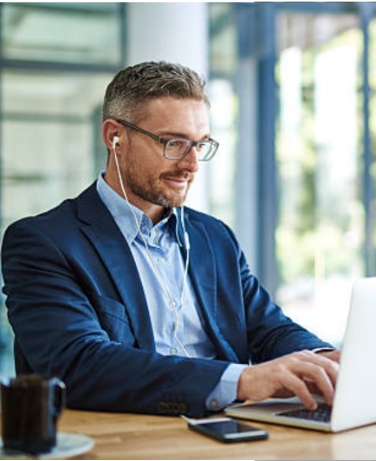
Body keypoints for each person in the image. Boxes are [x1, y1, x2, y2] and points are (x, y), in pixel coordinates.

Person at [2, 61, 339, 417]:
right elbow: (78, 364)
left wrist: (323, 361)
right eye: (174, 143)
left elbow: (268, 329)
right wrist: (241, 381)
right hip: (129, 438)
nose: (192, 164)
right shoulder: (43, 242)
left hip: (231, 431)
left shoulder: (214, 237)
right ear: (115, 136)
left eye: (201, 144)